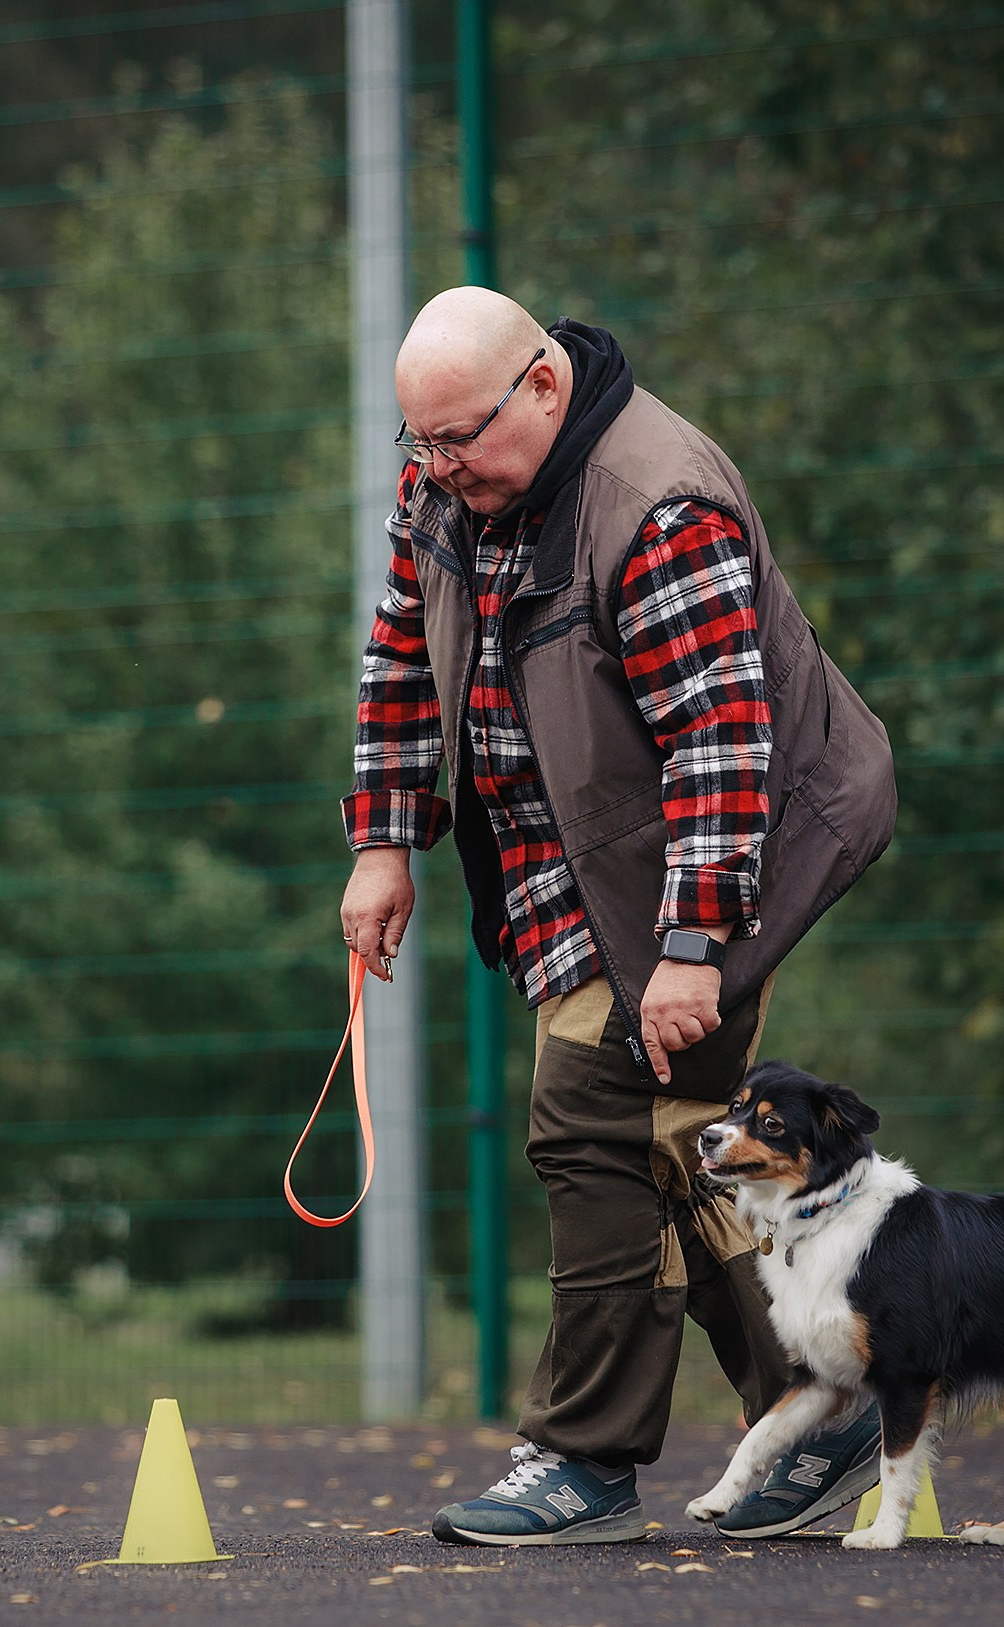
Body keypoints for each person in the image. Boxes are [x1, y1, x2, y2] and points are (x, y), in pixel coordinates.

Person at [338, 288, 896, 1543]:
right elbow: (395, 653)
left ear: (541, 387)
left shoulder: (657, 506)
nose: (432, 472)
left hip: (733, 843)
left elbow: (719, 746)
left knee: (588, 1123)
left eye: (455, 441)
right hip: (578, 857)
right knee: (682, 1136)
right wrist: (383, 839)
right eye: (412, 446)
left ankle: (583, 1458)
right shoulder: (453, 487)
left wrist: (691, 948)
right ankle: (826, 1403)